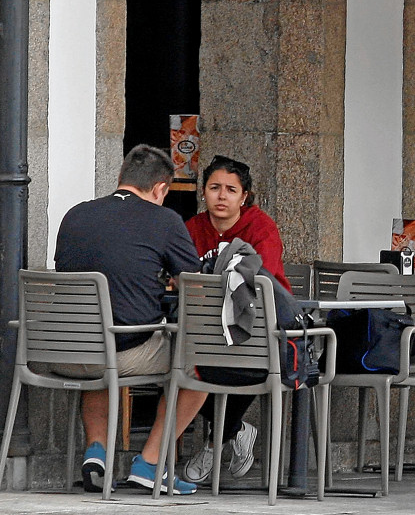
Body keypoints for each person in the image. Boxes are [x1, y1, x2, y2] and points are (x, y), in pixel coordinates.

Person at [53, 144, 204, 495]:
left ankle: (97, 454)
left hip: (62, 352)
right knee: (199, 363)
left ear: (120, 179)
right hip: (120, 353)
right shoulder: (165, 220)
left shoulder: (75, 214)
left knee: (101, 340)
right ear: (161, 189)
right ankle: (149, 464)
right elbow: (192, 282)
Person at [180, 155, 291, 484]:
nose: (221, 196)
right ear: (204, 192)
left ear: (244, 196)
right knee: (173, 367)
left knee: (244, 364)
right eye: (214, 188)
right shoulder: (193, 228)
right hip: (204, 328)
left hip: (255, 328)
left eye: (231, 189)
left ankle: (216, 441)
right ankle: (237, 430)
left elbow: (260, 280)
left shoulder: (261, 227)